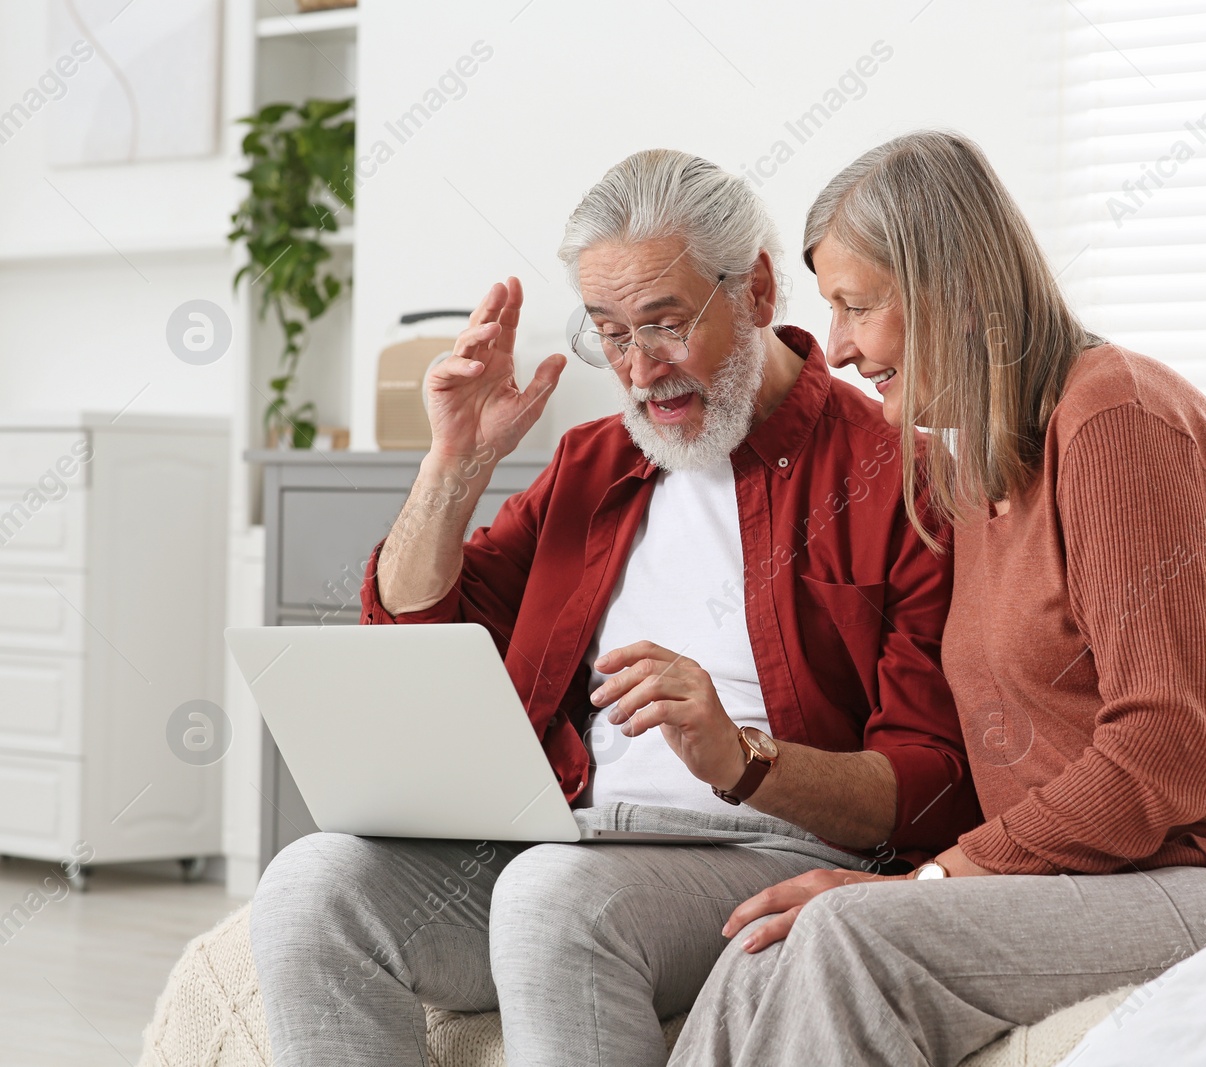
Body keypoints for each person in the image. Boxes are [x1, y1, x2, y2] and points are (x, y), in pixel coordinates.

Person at [248, 148, 980, 1067]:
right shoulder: (592, 465)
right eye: (611, 333)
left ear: (756, 290)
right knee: (309, 884)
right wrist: (455, 467)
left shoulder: (901, 479)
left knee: (554, 895)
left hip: (764, 852)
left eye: (665, 324)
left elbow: (933, 780)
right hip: (568, 837)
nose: (640, 369)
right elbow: (417, 631)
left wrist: (743, 757)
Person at [670, 130, 1206, 1067]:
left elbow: (1163, 753)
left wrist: (935, 880)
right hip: (1101, 877)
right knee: (759, 951)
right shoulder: (976, 466)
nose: (843, 346)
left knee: (852, 934)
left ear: (951, 292)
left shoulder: (1113, 416)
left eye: (858, 306)